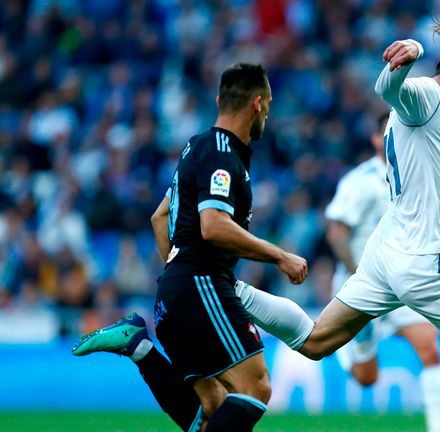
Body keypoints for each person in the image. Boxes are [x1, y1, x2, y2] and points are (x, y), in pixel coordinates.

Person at [233, 23, 440, 431]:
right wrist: (411, 50)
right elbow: (388, 90)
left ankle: (228, 289)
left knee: (315, 341)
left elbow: (420, 192)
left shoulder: (434, 119)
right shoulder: (430, 99)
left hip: (385, 254)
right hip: (420, 265)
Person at [73, 63, 309, 432]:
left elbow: (159, 216)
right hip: (202, 285)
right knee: (256, 386)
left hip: (176, 289)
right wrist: (279, 254)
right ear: (258, 103)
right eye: (270, 105)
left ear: (219, 101)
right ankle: (140, 346)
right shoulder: (222, 154)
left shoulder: (196, 147)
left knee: (211, 408)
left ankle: (141, 348)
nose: (268, 113)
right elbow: (213, 226)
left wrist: (175, 275)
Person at [325, 112, 440, 432]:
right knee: (368, 378)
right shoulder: (361, 181)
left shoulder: (416, 177)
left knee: (430, 348)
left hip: (403, 284)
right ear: (375, 139)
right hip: (364, 285)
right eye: (389, 133)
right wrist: (358, 276)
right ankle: (347, 353)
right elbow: (337, 233)